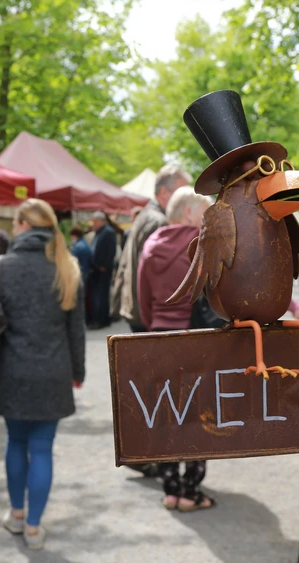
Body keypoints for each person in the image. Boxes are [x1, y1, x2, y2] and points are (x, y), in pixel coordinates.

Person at [0, 198, 85, 551]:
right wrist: (78, 371)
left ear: (20, 225)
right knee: (43, 448)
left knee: (16, 443)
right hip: (53, 371)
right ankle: (34, 528)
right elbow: (75, 330)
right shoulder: (67, 267)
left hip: (11, 372)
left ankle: (17, 514)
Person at [137, 187, 216, 510]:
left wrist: (154, 323)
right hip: (195, 339)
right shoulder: (203, 244)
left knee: (166, 414)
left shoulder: (151, 244)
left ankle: (170, 489)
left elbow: (142, 296)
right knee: (198, 416)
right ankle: (191, 490)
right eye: (206, 213)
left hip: (159, 338)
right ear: (189, 213)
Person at [115, 165, 192, 333]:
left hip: (137, 310)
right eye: (182, 192)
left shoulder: (148, 213)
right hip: (147, 316)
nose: (187, 198)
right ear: (165, 193)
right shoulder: (160, 222)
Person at [88, 211, 117, 329]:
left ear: (100, 220)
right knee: (98, 295)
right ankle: (100, 319)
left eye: (95, 221)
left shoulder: (108, 232)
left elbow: (111, 250)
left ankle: (102, 320)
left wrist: (104, 265)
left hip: (103, 269)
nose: (93, 224)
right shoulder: (99, 232)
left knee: (101, 295)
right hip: (97, 269)